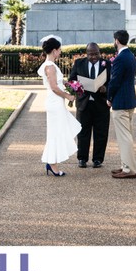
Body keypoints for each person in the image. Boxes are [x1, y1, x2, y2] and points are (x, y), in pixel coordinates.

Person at [37, 35, 82, 177]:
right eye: (59, 49)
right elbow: (54, 87)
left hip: (56, 103)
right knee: (55, 133)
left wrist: (70, 87)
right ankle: (52, 164)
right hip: (54, 103)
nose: (60, 52)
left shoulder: (50, 65)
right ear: (54, 50)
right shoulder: (49, 66)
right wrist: (68, 95)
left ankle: (52, 162)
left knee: (59, 131)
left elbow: (58, 85)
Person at [68, 42, 110, 168]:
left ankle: (98, 159)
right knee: (83, 132)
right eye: (91, 54)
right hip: (83, 103)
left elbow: (112, 81)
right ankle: (82, 158)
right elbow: (71, 79)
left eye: (96, 54)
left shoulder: (107, 64)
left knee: (101, 132)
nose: (93, 57)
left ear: (99, 52)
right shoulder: (79, 63)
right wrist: (77, 86)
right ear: (86, 54)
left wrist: (105, 88)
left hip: (101, 104)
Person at [106, 29, 136, 179]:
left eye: (114, 40)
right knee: (127, 135)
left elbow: (115, 81)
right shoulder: (130, 55)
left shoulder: (120, 58)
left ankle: (129, 169)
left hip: (120, 101)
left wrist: (109, 97)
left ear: (117, 40)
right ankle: (125, 165)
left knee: (124, 137)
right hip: (129, 100)